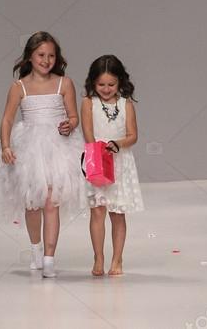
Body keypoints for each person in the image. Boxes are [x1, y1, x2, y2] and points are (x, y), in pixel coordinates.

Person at [0, 32, 83, 278]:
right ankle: (36, 248)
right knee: (32, 203)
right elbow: (7, 118)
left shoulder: (64, 83)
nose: (46, 60)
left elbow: (73, 115)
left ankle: (49, 258)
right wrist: (5, 146)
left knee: (51, 201)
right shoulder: (19, 87)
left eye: (51, 56)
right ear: (30, 57)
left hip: (58, 147)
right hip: (30, 148)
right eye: (41, 55)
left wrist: (70, 124)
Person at [81, 55, 144, 276]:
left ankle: (117, 260)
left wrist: (116, 144)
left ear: (120, 82)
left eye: (111, 84)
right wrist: (98, 150)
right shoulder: (89, 102)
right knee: (97, 211)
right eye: (101, 84)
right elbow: (88, 132)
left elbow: (133, 135)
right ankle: (98, 258)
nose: (106, 89)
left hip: (119, 161)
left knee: (117, 213)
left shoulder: (126, 104)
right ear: (92, 82)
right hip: (97, 160)